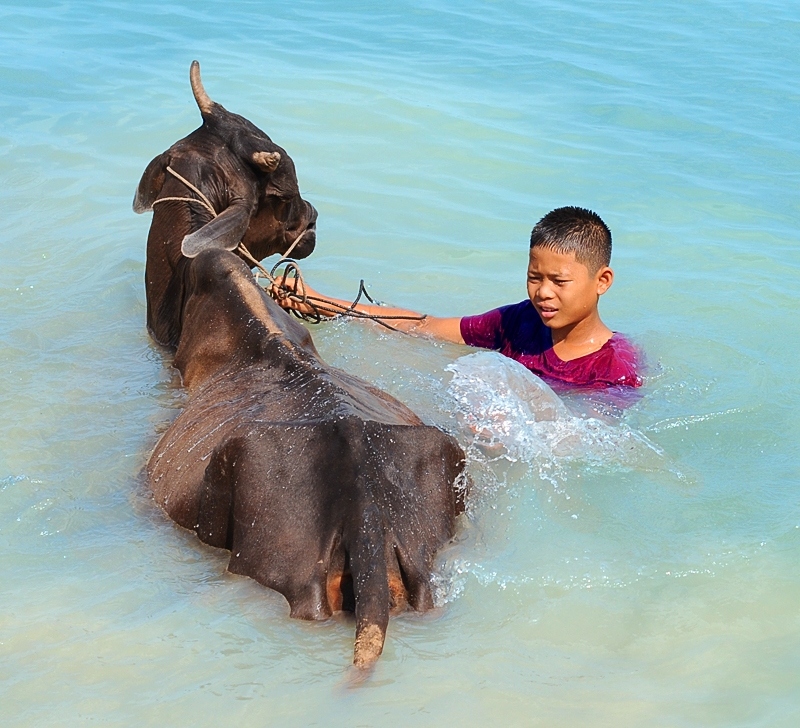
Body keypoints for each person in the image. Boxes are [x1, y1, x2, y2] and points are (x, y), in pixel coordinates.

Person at [272, 206, 643, 391]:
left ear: (602, 281)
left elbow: (589, 443)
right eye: (534, 277)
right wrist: (318, 302)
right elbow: (425, 326)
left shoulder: (614, 370)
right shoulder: (518, 323)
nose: (543, 292)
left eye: (559, 281)